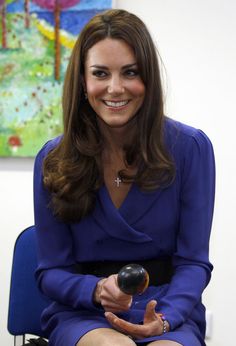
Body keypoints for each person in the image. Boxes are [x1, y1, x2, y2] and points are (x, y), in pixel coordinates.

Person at [33, 9, 215, 346]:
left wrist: (165, 320)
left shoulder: (191, 148)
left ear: (148, 79)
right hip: (84, 312)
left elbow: (193, 262)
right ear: (83, 82)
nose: (115, 89)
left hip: (168, 311)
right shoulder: (53, 159)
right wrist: (98, 289)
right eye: (100, 73)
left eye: (130, 72)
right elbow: (50, 271)